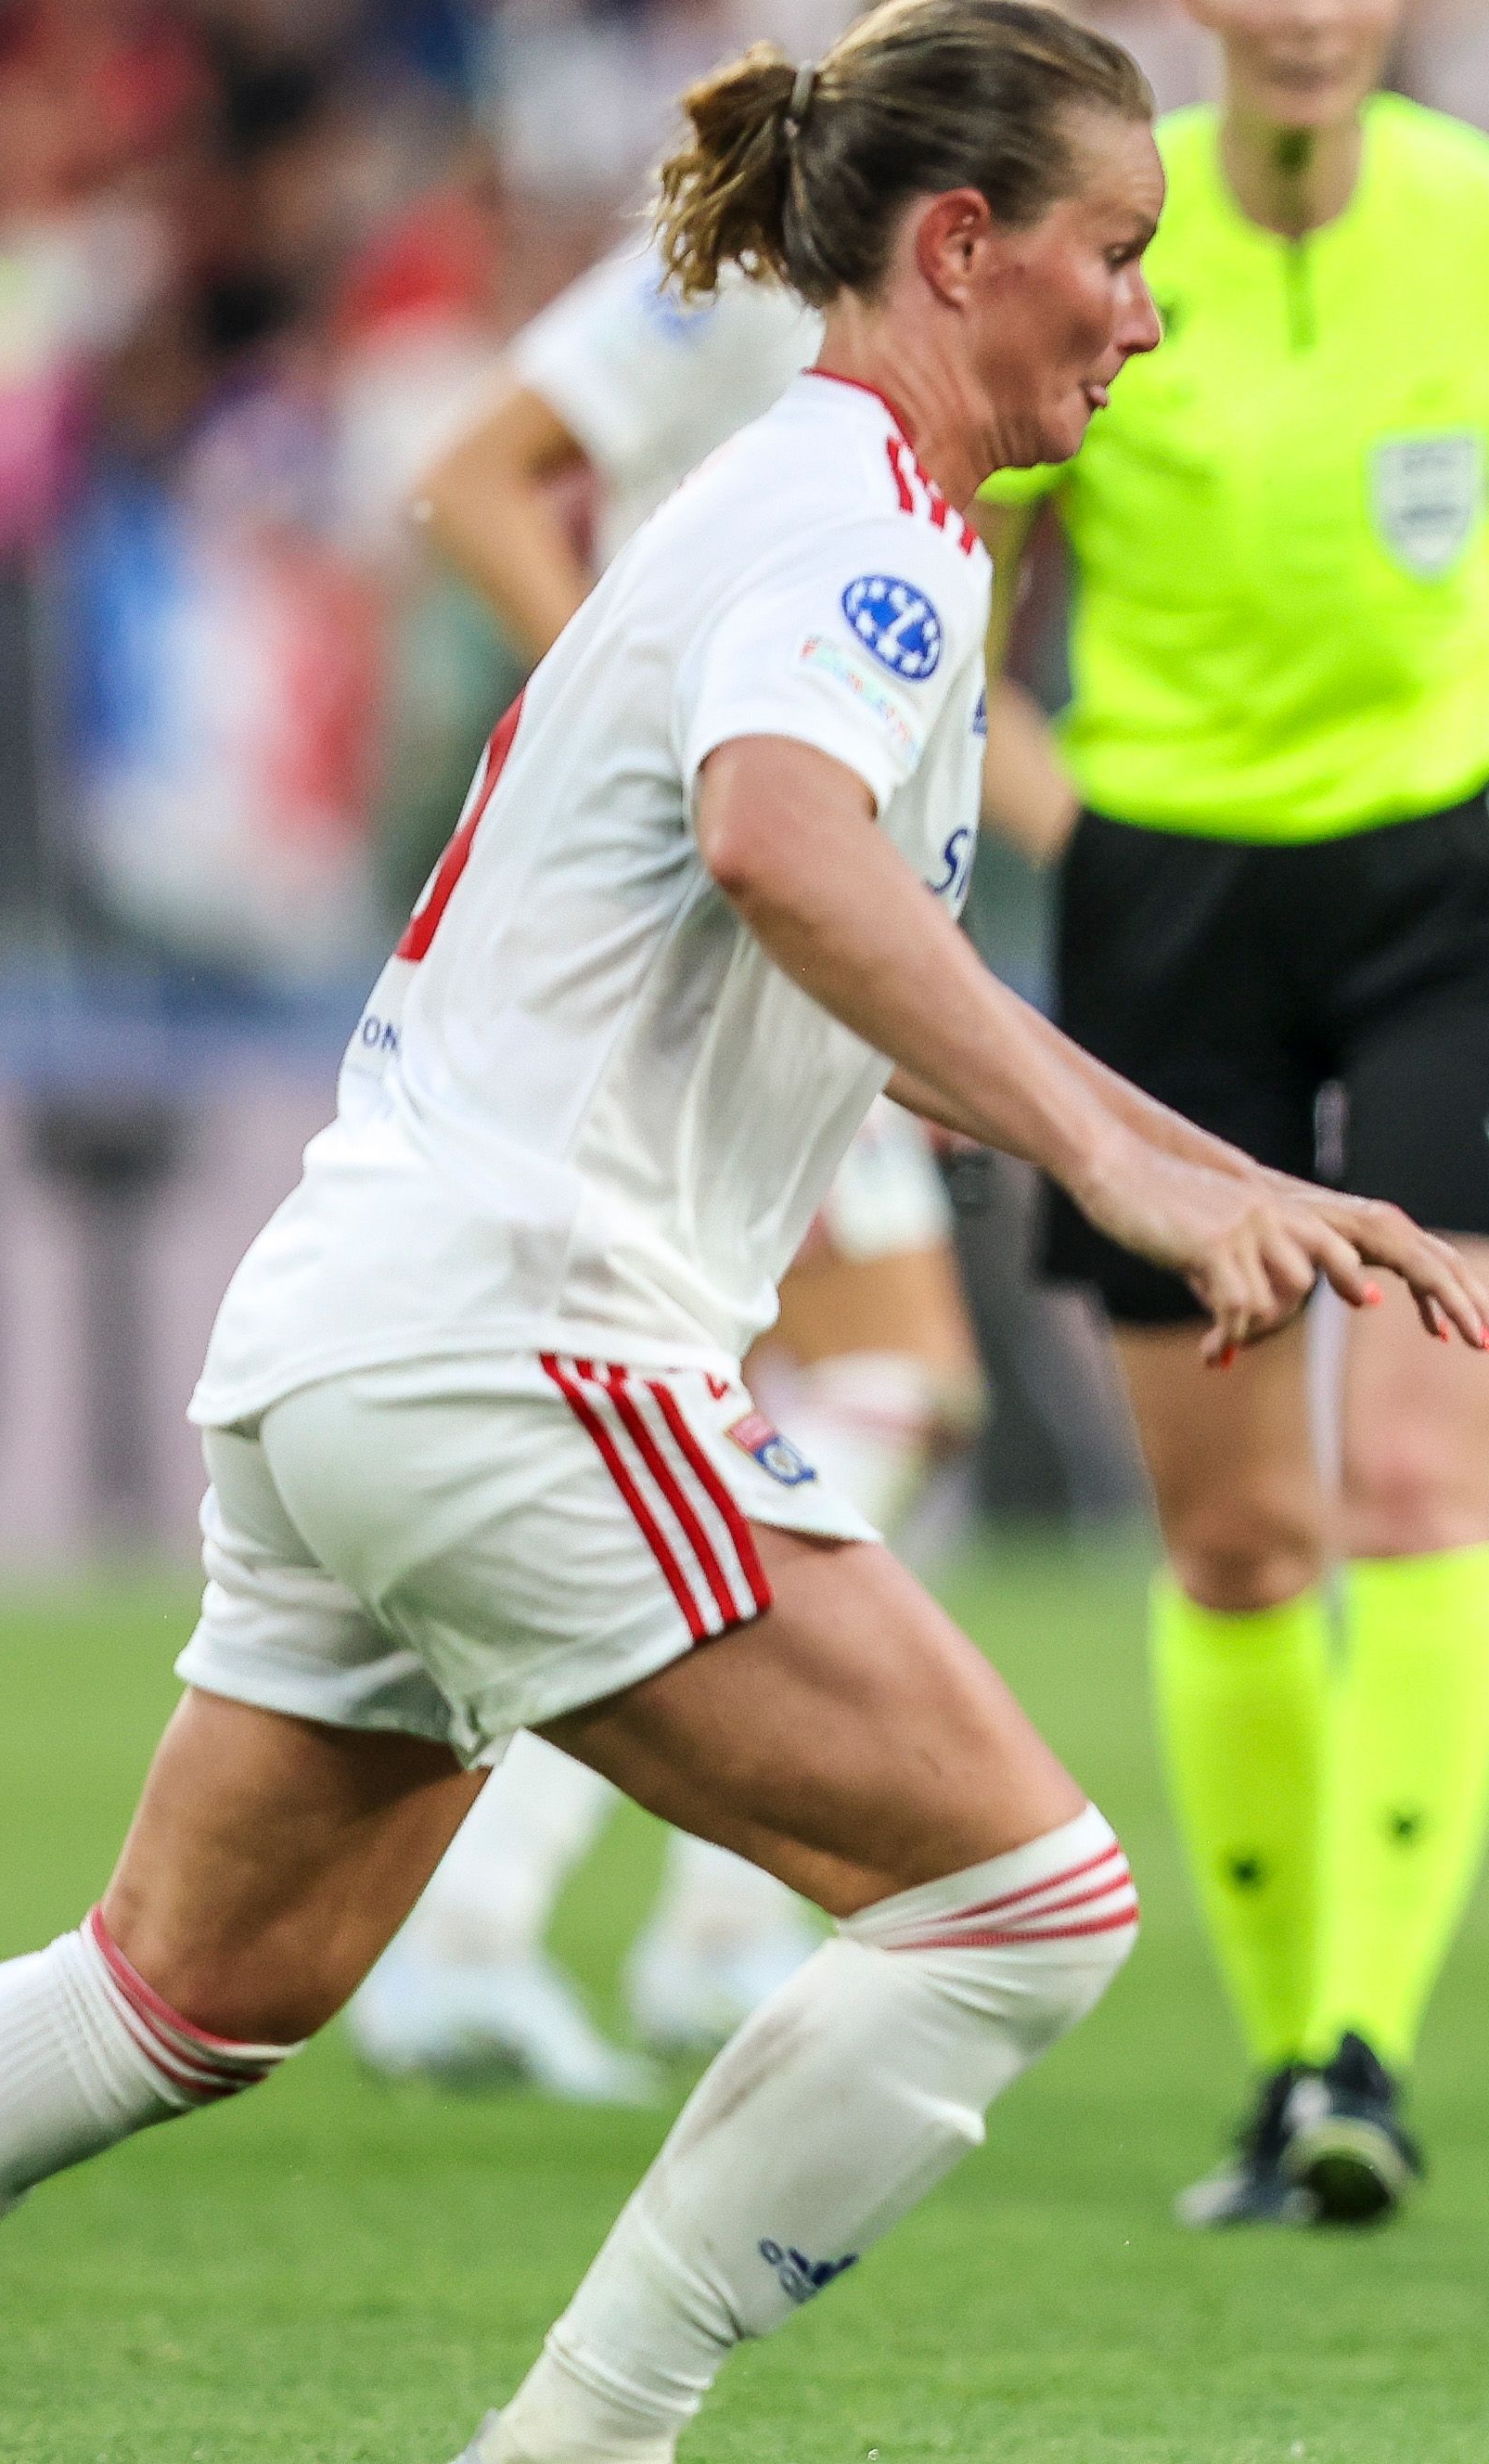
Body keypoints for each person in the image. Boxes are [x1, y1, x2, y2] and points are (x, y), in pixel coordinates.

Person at [0, 15, 1489, 2464]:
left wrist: (1169, 1154)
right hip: (525, 1332)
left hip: (366, 1323)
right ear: (960, 250)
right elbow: (774, 833)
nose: (1148, 317)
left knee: (174, 1998)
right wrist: (1112, 1150)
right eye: (1118, 254)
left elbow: (776, 889)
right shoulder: (857, 519)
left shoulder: (796, 499)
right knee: (1026, 1904)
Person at [976, 0, 1489, 2232]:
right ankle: (1290, 2068)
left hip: (1464, 880)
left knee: (1415, 1473)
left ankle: (1360, 2051)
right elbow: (979, 598)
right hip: (1172, 905)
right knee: (1241, 1537)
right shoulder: (1095, 220)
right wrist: (1079, 834)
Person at [348, 207, 992, 2101]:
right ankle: (524, 1927)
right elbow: (470, 478)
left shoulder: (927, 362)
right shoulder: (753, 270)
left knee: (867, 1378)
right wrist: (664, 711)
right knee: (862, 1376)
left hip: (762, 863)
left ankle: (674, 1924)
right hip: (698, 891)